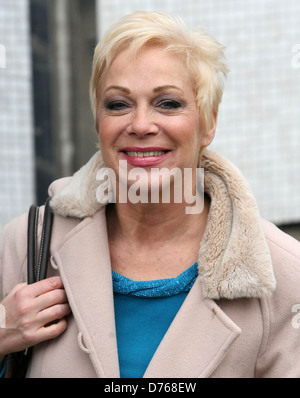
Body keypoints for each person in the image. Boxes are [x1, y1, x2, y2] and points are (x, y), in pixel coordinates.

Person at [1, 11, 300, 378]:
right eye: (118, 104)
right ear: (98, 122)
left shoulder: (283, 273)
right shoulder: (27, 245)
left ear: (209, 123)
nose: (140, 125)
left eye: (168, 103)